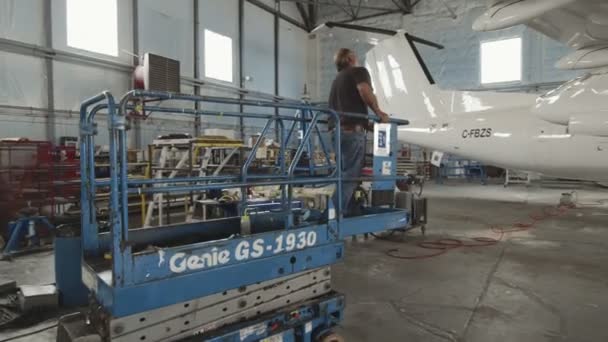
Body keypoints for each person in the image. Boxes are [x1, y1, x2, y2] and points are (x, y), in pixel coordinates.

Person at [328, 48, 389, 217]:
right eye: (354, 54)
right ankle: (333, 215)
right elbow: (364, 90)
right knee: (350, 176)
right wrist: (379, 112)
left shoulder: (337, 80)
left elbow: (345, 109)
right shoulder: (359, 72)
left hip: (336, 131)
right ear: (350, 58)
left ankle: (346, 210)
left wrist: (367, 125)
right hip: (351, 133)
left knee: (343, 175)